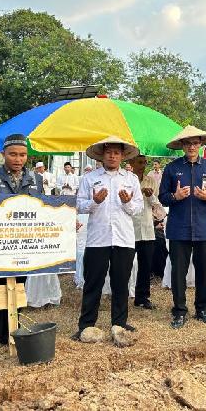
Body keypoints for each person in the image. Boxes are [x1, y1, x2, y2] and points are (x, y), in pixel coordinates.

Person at [0, 133, 43, 356]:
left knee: (18, 289)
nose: (18, 159)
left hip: (23, 245)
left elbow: (42, 207)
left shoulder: (35, 178)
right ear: (3, 154)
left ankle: (10, 333)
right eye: (13, 154)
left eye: (22, 155)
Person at [73, 136, 143, 337]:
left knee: (121, 282)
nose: (112, 156)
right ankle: (86, 325)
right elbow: (79, 204)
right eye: (109, 152)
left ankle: (119, 323)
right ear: (102, 155)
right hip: (98, 238)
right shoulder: (89, 178)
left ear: (122, 156)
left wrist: (128, 203)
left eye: (116, 152)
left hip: (123, 238)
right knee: (93, 282)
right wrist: (94, 201)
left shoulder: (131, 179)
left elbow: (137, 208)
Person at [158, 125, 206, 329]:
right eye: (187, 143)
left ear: (201, 144)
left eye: (195, 143)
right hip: (179, 228)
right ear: (182, 146)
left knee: (204, 270)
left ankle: (203, 308)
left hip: (204, 227)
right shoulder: (172, 168)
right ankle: (179, 311)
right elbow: (162, 197)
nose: (192, 146)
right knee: (179, 271)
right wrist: (175, 197)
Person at [128, 154, 159, 309]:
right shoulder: (126, 180)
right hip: (129, 229)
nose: (143, 165)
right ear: (131, 162)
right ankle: (122, 294)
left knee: (145, 265)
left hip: (147, 228)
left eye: (145, 162)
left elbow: (157, 204)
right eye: (140, 162)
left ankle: (142, 297)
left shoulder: (150, 180)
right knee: (126, 265)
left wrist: (150, 195)